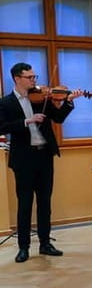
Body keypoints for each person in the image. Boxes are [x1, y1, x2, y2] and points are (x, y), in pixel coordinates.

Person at [0, 63, 86, 263]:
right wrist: (26, 121)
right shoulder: (5, 103)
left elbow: (58, 118)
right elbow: (2, 126)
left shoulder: (40, 99)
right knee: (25, 203)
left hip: (44, 156)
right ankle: (23, 247)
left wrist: (69, 102)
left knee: (45, 202)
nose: (34, 81)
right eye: (29, 77)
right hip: (24, 159)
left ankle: (45, 243)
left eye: (34, 77)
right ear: (17, 78)